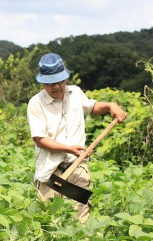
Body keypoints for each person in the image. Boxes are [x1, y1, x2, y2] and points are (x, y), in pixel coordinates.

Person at [27, 53, 127, 223]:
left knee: (80, 218)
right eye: (50, 84)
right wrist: (68, 148)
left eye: (60, 81)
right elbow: (39, 139)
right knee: (51, 221)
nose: (56, 87)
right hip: (51, 171)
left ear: (66, 78)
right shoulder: (36, 103)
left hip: (77, 167)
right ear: (43, 82)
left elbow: (92, 107)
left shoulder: (75, 93)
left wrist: (110, 105)